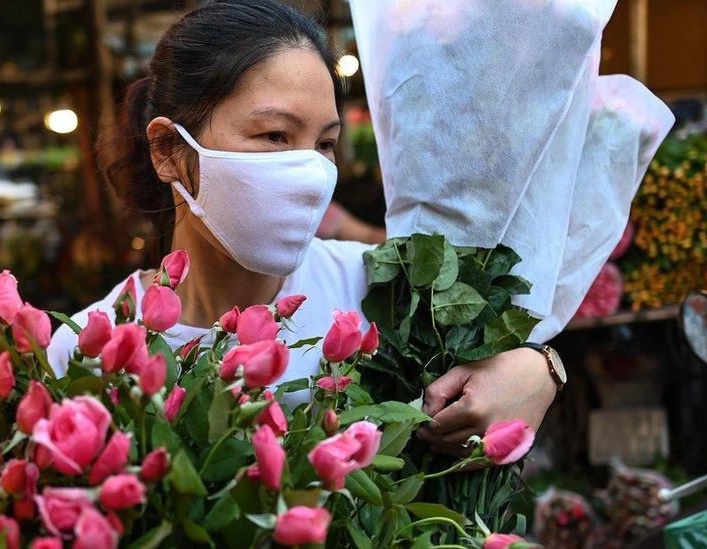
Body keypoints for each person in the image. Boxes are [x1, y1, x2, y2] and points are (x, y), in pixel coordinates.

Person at [47, 0, 558, 456]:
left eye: (324, 144)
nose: (310, 173)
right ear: (168, 151)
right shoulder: (88, 349)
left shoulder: (382, 292)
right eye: (274, 135)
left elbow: (503, 375)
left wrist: (541, 368)